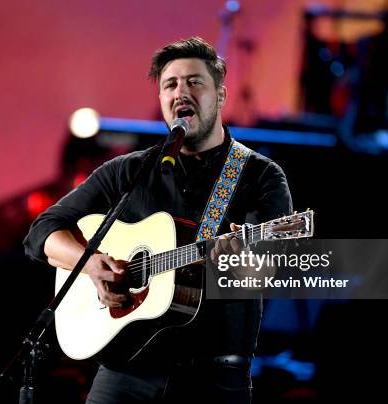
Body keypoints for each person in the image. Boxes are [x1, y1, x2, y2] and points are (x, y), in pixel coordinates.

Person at [23, 37, 292, 403]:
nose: (181, 92)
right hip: (124, 371)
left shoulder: (260, 176)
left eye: (195, 82)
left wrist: (239, 261)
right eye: (170, 84)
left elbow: (271, 270)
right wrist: (91, 266)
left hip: (213, 381)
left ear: (221, 95)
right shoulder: (129, 171)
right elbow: (42, 232)